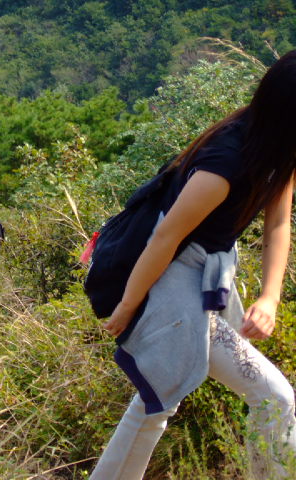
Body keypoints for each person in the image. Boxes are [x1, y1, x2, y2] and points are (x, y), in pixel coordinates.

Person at [90, 51, 296, 479]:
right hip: (171, 277)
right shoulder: (226, 164)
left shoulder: (276, 150)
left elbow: (278, 223)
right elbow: (165, 238)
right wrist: (129, 305)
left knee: (159, 400)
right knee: (268, 397)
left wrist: (270, 297)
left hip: (205, 278)